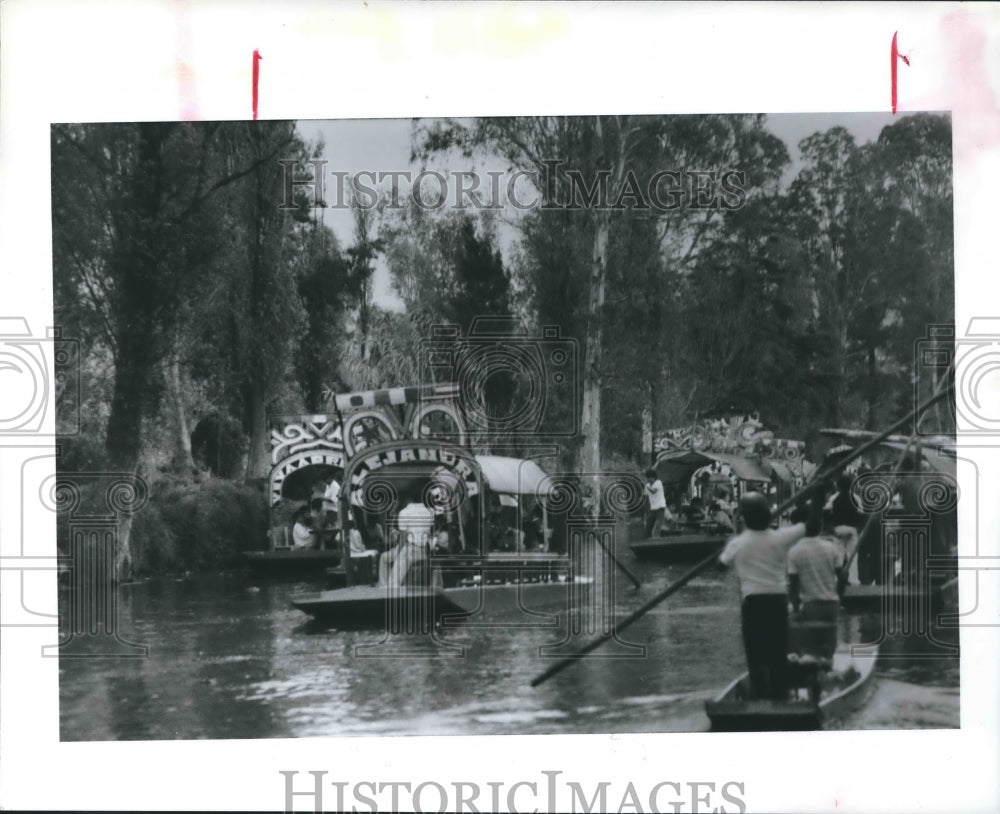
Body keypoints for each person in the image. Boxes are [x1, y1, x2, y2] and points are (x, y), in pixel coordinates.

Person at [718, 491, 807, 700]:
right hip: (777, 602)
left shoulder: (737, 544)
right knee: (778, 651)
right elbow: (810, 525)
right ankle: (779, 696)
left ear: (744, 517)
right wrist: (818, 496)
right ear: (767, 515)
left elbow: (721, 566)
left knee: (755, 653)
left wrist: (722, 555)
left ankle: (759, 697)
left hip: (753, 603)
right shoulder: (780, 538)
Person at [788, 503, 847, 660]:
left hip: (812, 604)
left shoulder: (794, 551)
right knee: (829, 646)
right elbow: (843, 576)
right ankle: (828, 671)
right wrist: (839, 598)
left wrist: (795, 608)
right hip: (832, 604)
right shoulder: (831, 547)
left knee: (812, 648)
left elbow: (792, 585)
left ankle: (815, 678)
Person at [827, 473, 864, 585]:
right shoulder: (856, 498)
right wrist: (858, 529)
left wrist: (832, 530)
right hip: (852, 529)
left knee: (838, 556)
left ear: (838, 486)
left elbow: (827, 513)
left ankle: (836, 579)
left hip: (838, 529)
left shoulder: (833, 498)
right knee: (852, 556)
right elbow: (861, 514)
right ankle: (853, 580)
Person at [644, 468, 670, 537]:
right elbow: (646, 497)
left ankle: (656, 539)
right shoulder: (647, 485)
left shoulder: (658, 483)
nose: (648, 480)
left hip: (660, 507)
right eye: (647, 478)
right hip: (653, 508)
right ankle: (647, 539)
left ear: (653, 478)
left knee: (658, 524)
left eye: (649, 478)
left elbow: (653, 491)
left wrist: (647, 487)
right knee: (649, 524)